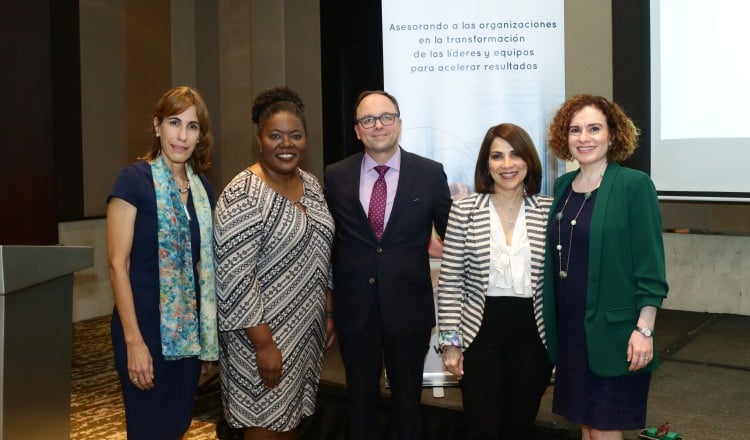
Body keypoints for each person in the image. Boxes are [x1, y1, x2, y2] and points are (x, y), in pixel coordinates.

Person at [324, 90, 452, 439]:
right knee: (360, 405)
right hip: (356, 311)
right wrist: (330, 311)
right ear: (357, 130)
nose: (378, 125)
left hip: (408, 311)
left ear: (399, 123)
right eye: (368, 119)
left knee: (408, 406)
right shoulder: (335, 176)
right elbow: (328, 246)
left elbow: (453, 239)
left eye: (386, 117)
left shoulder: (429, 173)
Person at [543, 95, 669, 440]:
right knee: (587, 425)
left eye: (594, 129)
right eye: (575, 130)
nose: (584, 138)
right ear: (564, 138)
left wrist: (644, 330)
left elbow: (651, 268)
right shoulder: (563, 187)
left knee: (604, 427)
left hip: (615, 333)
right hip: (571, 330)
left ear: (612, 136)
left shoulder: (633, 185)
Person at [214, 86, 335, 440]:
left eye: (296, 136)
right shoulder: (243, 194)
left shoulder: (311, 185)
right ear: (260, 139)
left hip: (304, 334)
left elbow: (322, 251)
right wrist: (264, 345)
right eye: (276, 136)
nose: (287, 144)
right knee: (264, 424)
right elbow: (235, 279)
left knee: (290, 425)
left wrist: (327, 312)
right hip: (259, 338)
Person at [106, 86, 218, 439]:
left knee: (176, 426)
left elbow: (203, 269)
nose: (182, 136)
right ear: (157, 126)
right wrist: (134, 343)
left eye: (192, 126)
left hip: (186, 336)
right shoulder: (134, 181)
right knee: (148, 429)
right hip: (144, 330)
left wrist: (207, 341)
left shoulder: (203, 190)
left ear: (201, 135)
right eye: (174, 123)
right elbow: (116, 265)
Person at [437, 123, 554, 439]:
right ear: (486, 164)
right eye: (497, 156)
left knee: (520, 424)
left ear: (528, 160)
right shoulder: (464, 210)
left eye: (515, 154)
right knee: (482, 427)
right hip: (479, 334)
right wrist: (450, 344)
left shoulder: (548, 210)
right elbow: (450, 282)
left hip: (534, 335)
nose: (507, 165)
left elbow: (560, 284)